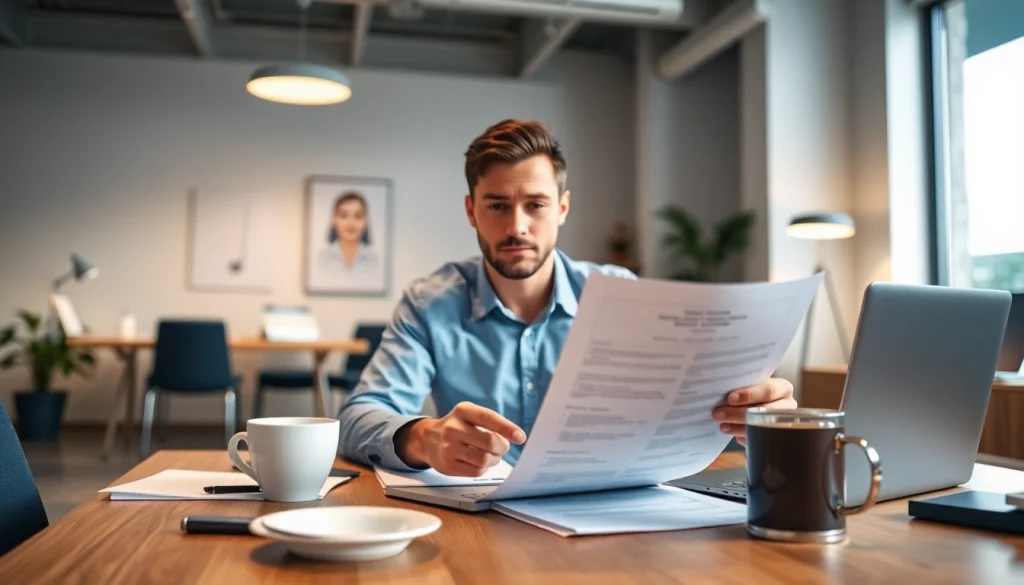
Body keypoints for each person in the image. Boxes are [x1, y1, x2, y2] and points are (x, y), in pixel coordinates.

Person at [337, 119, 796, 476]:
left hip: (611, 520)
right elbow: (358, 417)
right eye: (497, 205)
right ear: (471, 211)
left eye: (535, 205)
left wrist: (754, 413)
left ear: (561, 208)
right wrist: (424, 437)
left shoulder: (622, 296)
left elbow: (690, 404)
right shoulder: (429, 304)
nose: (517, 226)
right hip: (482, 522)